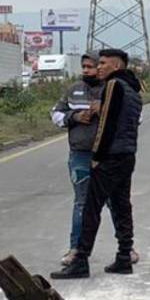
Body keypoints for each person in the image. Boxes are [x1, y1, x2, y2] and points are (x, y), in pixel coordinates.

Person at [53, 49, 144, 279]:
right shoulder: (133, 88)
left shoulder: (114, 86)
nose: (98, 67)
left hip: (110, 156)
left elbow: (107, 125)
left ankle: (80, 259)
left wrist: (97, 156)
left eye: (102, 63)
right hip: (127, 155)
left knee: (90, 208)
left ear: (115, 65)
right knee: (122, 205)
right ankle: (124, 256)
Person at [50, 55, 103, 264]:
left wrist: (106, 109)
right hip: (80, 155)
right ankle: (76, 249)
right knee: (82, 202)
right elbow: (55, 115)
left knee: (115, 203)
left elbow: (135, 118)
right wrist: (74, 117)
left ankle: (126, 248)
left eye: (92, 67)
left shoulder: (114, 90)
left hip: (108, 156)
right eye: (84, 67)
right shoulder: (73, 90)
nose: (87, 71)